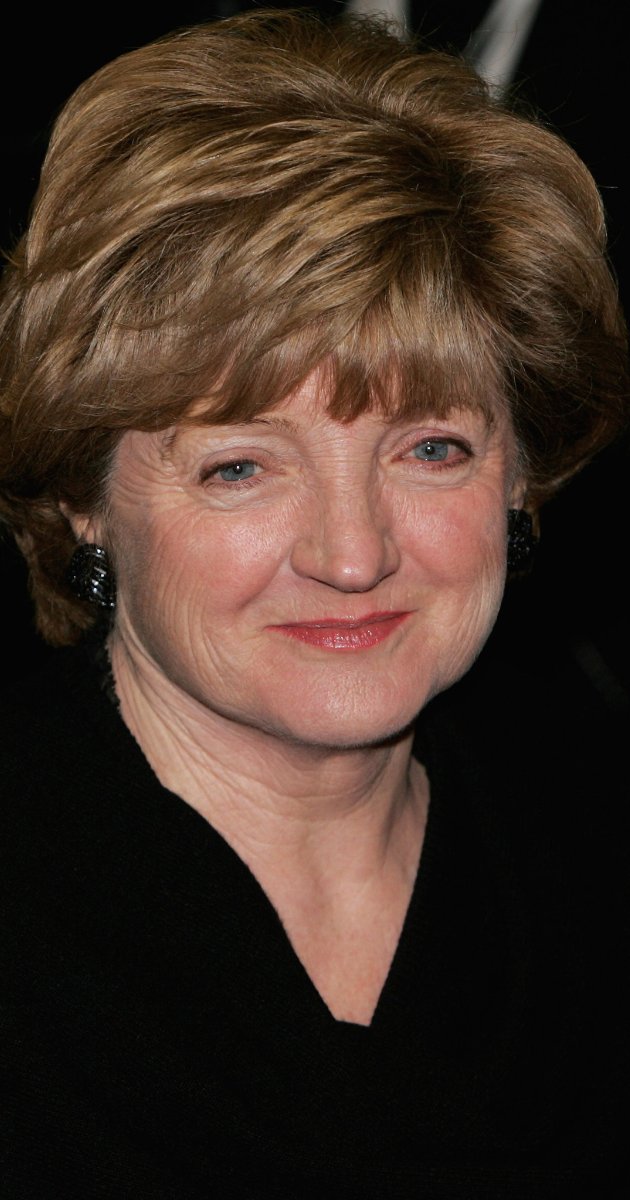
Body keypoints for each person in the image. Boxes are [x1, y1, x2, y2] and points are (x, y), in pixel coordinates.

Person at [1, 8, 628, 1195]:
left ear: (519, 477)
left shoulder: (591, 836)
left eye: (431, 449)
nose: (352, 555)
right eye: (241, 466)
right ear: (84, 498)